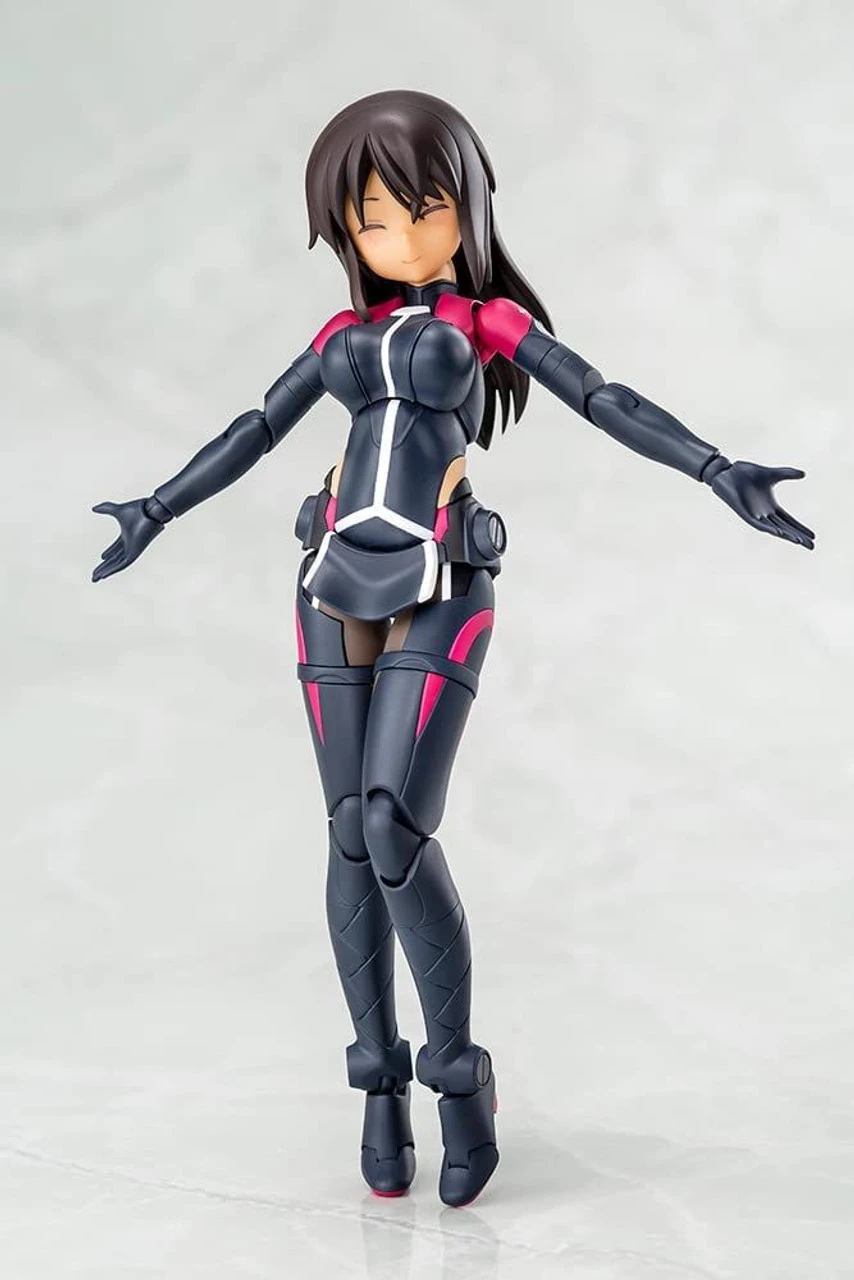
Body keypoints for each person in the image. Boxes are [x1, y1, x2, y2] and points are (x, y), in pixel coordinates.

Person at [91, 89, 814, 1208]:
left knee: (392, 821)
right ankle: (376, 1082)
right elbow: (255, 427)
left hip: (442, 573)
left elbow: (602, 395)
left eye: (423, 207)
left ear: (465, 208)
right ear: (346, 227)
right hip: (331, 573)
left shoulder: (484, 324)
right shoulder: (339, 338)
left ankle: (457, 1075)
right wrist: (156, 506)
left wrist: (716, 467)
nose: (398, 232)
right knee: (348, 833)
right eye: (371, 215)